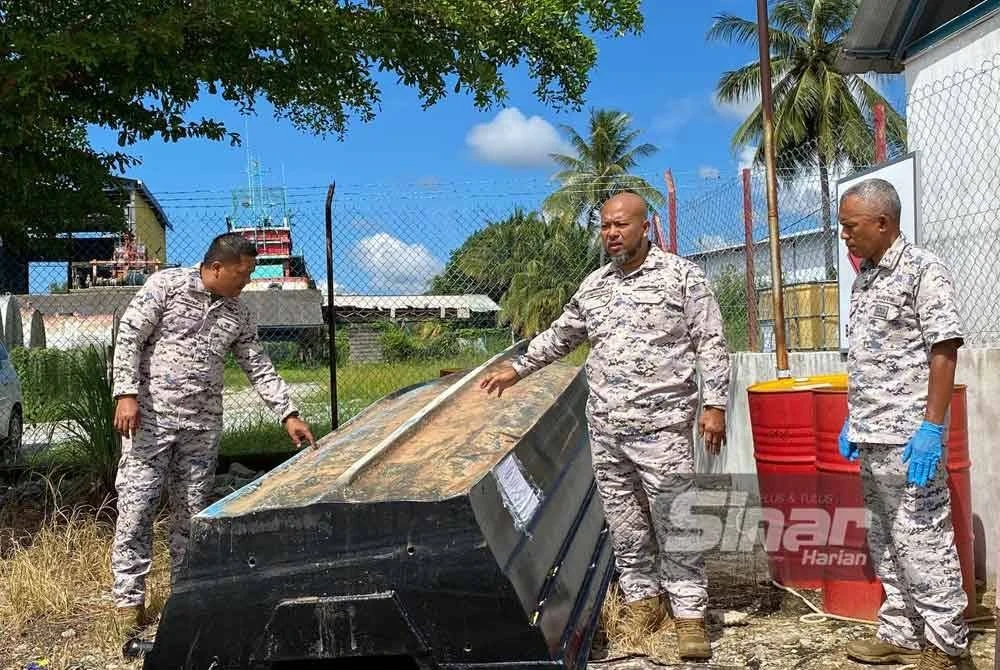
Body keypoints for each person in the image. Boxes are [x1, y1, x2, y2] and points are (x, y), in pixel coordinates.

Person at [480, 191, 730, 660]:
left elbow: (711, 343)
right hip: (608, 430)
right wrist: (518, 368)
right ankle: (643, 603)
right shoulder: (595, 286)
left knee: (676, 521)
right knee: (627, 524)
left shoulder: (682, 277)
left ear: (646, 226)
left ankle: (691, 616)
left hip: (663, 430)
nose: (611, 234)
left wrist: (714, 405)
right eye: (605, 227)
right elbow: (562, 333)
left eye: (620, 225)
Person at [110, 233, 315, 632]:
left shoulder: (237, 314)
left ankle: (184, 600)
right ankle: (127, 604)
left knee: (191, 516)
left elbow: (257, 364)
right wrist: (126, 393)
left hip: (201, 430)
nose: (246, 282)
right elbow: (130, 335)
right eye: (242, 274)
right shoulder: (166, 286)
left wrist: (288, 413)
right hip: (150, 422)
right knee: (137, 510)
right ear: (216, 267)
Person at [838, 179, 973, 669]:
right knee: (886, 536)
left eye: (851, 227)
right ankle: (901, 631)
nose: (845, 236)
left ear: (883, 223)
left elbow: (944, 349)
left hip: (908, 435)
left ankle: (945, 645)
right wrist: (853, 421)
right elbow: (871, 359)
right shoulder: (865, 279)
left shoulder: (922, 270)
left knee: (923, 538)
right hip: (872, 432)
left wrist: (932, 427)